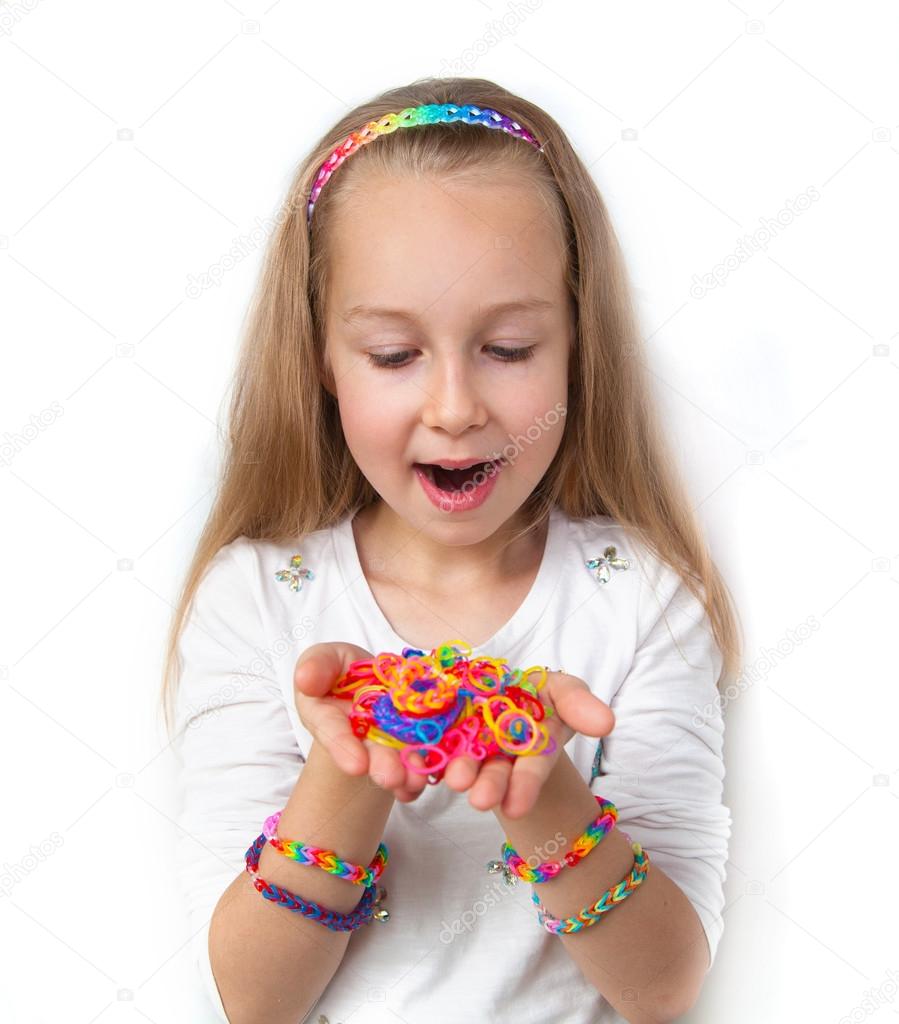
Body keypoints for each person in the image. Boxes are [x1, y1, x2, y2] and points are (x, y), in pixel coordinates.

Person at [160, 76, 742, 1024]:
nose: (456, 407)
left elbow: (664, 986)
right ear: (320, 358)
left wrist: (541, 790)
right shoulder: (260, 598)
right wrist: (349, 767)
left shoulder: (638, 595)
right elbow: (254, 1000)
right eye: (394, 355)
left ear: (575, 346)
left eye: (508, 348)